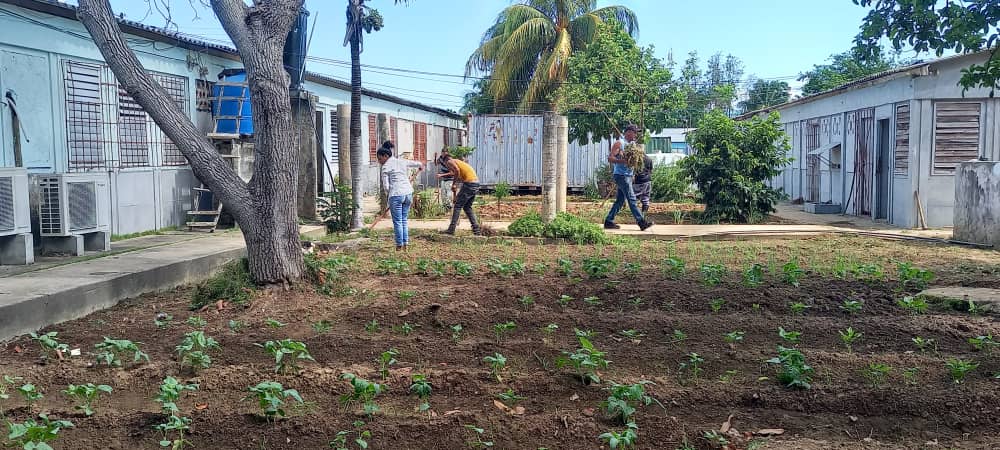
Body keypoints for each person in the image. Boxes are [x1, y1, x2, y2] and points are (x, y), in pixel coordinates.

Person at [605, 124, 653, 231]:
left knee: (620, 201)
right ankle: (641, 222)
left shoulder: (631, 145)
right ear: (628, 132)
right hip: (621, 176)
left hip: (628, 176)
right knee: (632, 199)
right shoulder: (619, 143)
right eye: (634, 132)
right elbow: (610, 158)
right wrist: (622, 161)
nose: (636, 135)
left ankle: (608, 221)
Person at [376, 142, 423, 251]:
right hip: (408, 194)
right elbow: (417, 163)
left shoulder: (385, 167)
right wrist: (421, 165)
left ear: (385, 156)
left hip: (396, 195)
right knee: (404, 220)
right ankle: (405, 243)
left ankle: (399, 245)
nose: (379, 162)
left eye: (380, 159)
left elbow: (386, 187)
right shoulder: (401, 161)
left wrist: (391, 197)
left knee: (397, 221)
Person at [437, 153, 481, 235]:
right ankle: (477, 230)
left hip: (470, 184)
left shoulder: (450, 161)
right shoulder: (457, 161)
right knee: (467, 207)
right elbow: (457, 173)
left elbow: (456, 170)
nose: (447, 167)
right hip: (475, 183)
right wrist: (456, 186)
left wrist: (454, 184)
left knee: (457, 206)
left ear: (445, 161)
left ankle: (451, 229)